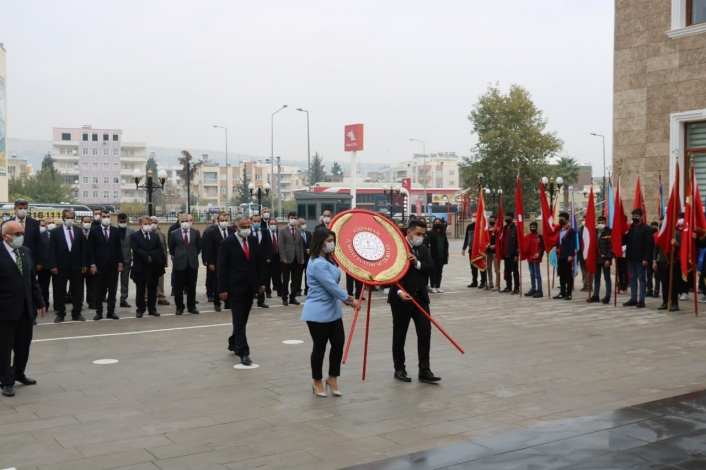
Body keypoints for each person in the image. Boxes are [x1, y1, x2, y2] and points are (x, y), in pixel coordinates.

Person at [302, 228, 359, 397]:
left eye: (332, 240)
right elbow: (331, 286)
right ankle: (317, 380)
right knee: (319, 347)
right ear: (319, 242)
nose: (331, 244)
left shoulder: (329, 259)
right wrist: (350, 300)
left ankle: (333, 377)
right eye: (328, 240)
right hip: (317, 311)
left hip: (333, 310)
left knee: (338, 343)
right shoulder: (317, 263)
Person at [388, 219, 440, 384]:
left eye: (423, 235)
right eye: (418, 234)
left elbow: (431, 267)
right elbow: (389, 274)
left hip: (421, 298)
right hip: (401, 299)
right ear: (408, 233)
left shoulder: (423, 249)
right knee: (400, 334)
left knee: (425, 332)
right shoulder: (397, 249)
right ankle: (399, 368)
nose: (420, 237)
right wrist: (399, 291)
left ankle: (424, 370)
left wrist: (417, 263)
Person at [0, 221, 45, 398]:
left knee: (23, 345)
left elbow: (32, 280)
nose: (21, 237)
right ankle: (6, 381)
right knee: (4, 348)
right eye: (17, 234)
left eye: (22, 233)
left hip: (26, 308)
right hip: (5, 310)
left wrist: (40, 301)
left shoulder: (25, 251)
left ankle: (19, 373)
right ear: (5, 236)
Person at [218, 215, 267, 366]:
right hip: (234, 286)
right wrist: (222, 289)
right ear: (236, 228)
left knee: (243, 318)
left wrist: (261, 282)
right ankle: (243, 352)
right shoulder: (227, 243)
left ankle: (233, 341)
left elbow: (258, 262)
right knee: (238, 319)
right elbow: (222, 267)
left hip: (250, 285)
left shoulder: (252, 240)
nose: (247, 230)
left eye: (248, 227)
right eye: (243, 227)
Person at [50, 210, 88, 323]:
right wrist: (53, 265)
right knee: (59, 291)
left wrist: (84, 264)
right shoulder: (55, 232)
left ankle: (76, 313)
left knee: (77, 291)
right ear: (63, 218)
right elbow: (51, 250)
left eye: (72, 217)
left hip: (76, 266)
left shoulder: (79, 231)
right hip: (60, 267)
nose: (70, 219)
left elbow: (83, 249)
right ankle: (60, 314)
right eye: (68, 217)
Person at [88, 210, 124, 320]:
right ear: (100, 218)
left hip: (112, 265)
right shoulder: (94, 231)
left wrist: (120, 263)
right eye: (104, 216)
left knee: (112, 290)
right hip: (99, 266)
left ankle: (111, 311)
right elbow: (90, 249)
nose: (106, 218)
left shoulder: (115, 231)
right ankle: (99, 312)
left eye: (108, 216)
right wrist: (92, 264)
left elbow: (119, 248)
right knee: (99, 290)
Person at [131, 217, 166, 318]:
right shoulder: (135, 236)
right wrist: (146, 257)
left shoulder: (155, 236)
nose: (148, 225)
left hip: (152, 267)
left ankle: (152, 308)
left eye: (149, 223)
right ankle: (140, 309)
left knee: (152, 289)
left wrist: (152, 256)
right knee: (140, 289)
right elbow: (136, 249)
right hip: (140, 267)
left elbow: (160, 249)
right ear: (141, 225)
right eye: (145, 223)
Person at [169, 213, 202, 315]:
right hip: (179, 263)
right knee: (179, 287)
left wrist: (192, 255)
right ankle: (179, 307)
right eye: (182, 221)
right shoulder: (174, 233)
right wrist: (178, 255)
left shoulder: (196, 232)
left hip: (192, 263)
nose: (185, 223)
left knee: (192, 286)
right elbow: (171, 247)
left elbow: (199, 246)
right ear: (179, 222)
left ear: (189, 221)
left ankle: (191, 306)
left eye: (186, 221)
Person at [622, 208, 654, 308]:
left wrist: (646, 259)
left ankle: (641, 300)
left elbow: (649, 246)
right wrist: (622, 234)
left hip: (641, 259)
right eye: (633, 216)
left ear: (641, 217)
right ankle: (633, 298)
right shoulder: (630, 228)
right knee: (632, 278)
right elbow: (624, 242)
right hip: (630, 257)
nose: (634, 218)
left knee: (641, 278)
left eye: (636, 216)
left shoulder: (647, 229)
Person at [4, 199, 42, 274]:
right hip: (12, 258)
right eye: (20, 208)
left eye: (25, 208)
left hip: (31, 259)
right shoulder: (7, 224)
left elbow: (39, 243)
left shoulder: (34, 223)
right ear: (15, 209)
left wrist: (40, 262)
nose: (23, 210)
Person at [207, 213, 234, 312]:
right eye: (222, 220)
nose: (224, 222)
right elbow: (210, 249)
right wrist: (211, 263)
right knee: (217, 283)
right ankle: (217, 303)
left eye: (226, 220)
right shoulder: (212, 232)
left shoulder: (232, 230)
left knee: (229, 282)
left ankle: (228, 303)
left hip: (230, 262)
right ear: (218, 221)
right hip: (217, 261)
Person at [278, 211, 305, 306]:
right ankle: (284, 297)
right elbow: (280, 245)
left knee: (296, 279)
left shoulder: (298, 231)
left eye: (295, 218)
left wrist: (302, 257)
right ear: (288, 218)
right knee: (285, 279)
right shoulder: (282, 230)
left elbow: (300, 246)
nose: (294, 220)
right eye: (292, 218)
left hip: (296, 258)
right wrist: (283, 257)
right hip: (286, 259)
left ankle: (292, 297)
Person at [654, 231, 681, 311]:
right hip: (663, 262)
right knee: (664, 284)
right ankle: (665, 302)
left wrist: (677, 244)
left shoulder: (676, 234)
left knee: (674, 284)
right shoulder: (660, 233)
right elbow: (656, 248)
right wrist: (654, 261)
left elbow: (682, 247)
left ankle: (674, 303)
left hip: (674, 262)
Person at [589, 216, 613, 304]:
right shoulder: (594, 232)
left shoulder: (609, 233)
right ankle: (595, 295)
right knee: (596, 278)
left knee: (607, 278)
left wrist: (608, 259)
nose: (600, 224)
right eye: (599, 222)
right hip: (596, 259)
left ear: (605, 223)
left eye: (602, 222)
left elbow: (611, 247)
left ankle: (607, 296)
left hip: (605, 259)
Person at [251, 214, 272, 308]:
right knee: (250, 280)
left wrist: (268, 257)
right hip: (250, 260)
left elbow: (269, 245)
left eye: (258, 221)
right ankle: (250, 299)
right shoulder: (248, 231)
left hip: (262, 260)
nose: (257, 223)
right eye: (255, 221)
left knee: (262, 280)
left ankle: (261, 301)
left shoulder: (265, 231)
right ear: (251, 221)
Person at [554, 212, 577, 301]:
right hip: (560, 255)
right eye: (559, 219)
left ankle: (569, 293)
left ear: (567, 220)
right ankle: (562, 292)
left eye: (562, 219)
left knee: (568, 275)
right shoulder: (559, 230)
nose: (560, 220)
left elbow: (573, 244)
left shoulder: (571, 231)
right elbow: (558, 241)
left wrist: (571, 255)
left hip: (567, 256)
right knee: (561, 274)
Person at [150, 216, 170, 306]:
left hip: (159, 263)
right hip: (149, 262)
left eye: (155, 222)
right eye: (151, 222)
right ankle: (147, 298)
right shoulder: (146, 234)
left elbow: (165, 250)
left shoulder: (161, 235)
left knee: (160, 281)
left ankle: (161, 297)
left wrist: (165, 262)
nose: (153, 224)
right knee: (148, 282)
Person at [37, 218, 56, 312]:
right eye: (49, 223)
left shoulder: (58, 234)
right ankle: (44, 305)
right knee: (43, 287)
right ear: (45, 225)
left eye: (53, 223)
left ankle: (58, 305)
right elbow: (39, 250)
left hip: (57, 265)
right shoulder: (40, 236)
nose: (51, 224)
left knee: (58, 287)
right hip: (44, 266)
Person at [80, 215, 97, 310]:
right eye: (85, 221)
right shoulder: (78, 232)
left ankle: (92, 302)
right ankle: (79, 302)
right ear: (81, 222)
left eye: (89, 222)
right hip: (81, 262)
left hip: (92, 262)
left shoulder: (94, 232)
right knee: (79, 285)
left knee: (92, 284)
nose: (87, 223)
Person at [117, 213, 134, 308]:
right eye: (121, 222)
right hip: (115, 260)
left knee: (125, 281)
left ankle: (123, 299)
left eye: (124, 221)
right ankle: (110, 298)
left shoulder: (131, 231)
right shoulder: (114, 231)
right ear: (118, 221)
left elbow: (134, 246)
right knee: (113, 281)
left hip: (127, 259)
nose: (123, 223)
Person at [501, 212, 520, 294]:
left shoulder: (516, 229)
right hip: (506, 253)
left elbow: (518, 243)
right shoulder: (504, 228)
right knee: (507, 271)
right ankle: (508, 286)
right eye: (506, 217)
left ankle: (516, 288)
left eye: (509, 217)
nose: (507, 218)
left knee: (515, 271)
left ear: (512, 218)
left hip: (513, 254)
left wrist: (516, 254)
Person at [524, 221, 544, 298]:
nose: (532, 228)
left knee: (537, 274)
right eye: (531, 227)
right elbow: (524, 244)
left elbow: (543, 247)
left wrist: (539, 253)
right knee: (532, 274)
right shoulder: (528, 236)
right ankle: (533, 288)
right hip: (530, 258)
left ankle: (540, 290)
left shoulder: (540, 237)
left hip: (536, 258)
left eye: (534, 227)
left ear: (536, 228)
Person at [428, 218, 448, 293]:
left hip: (441, 256)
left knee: (439, 272)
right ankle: (432, 286)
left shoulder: (443, 234)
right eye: (436, 222)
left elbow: (446, 245)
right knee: (433, 271)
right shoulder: (430, 234)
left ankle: (438, 286)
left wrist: (446, 255)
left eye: (438, 222)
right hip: (433, 256)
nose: (437, 223)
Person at [202, 216, 218, 303]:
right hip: (211, 259)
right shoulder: (208, 231)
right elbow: (205, 246)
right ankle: (210, 294)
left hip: (220, 259)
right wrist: (205, 259)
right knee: (211, 277)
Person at [481, 215, 500, 290]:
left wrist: (495, 245)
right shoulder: (486, 230)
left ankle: (497, 284)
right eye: (490, 220)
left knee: (496, 269)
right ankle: (490, 283)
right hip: (488, 251)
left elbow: (500, 240)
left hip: (495, 251)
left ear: (496, 221)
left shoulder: (497, 230)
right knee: (488, 268)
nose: (491, 221)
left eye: (493, 220)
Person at [266, 218, 282, 300]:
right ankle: (268, 292)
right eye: (271, 224)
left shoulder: (279, 233)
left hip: (278, 257)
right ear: (268, 224)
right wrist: (267, 257)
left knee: (278, 275)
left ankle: (280, 291)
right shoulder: (265, 233)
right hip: (269, 258)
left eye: (274, 224)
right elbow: (263, 246)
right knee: (268, 276)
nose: (273, 225)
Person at [461, 217, 478, 288]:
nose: (474, 218)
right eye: (473, 216)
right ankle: (474, 281)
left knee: (481, 265)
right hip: (471, 249)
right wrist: (464, 248)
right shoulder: (469, 226)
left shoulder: (481, 226)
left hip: (479, 250)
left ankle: (483, 281)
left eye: (475, 216)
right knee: (473, 267)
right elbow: (467, 238)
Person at [299, 218, 312, 296]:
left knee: (308, 275)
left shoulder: (308, 233)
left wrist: (310, 249)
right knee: (298, 275)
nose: (303, 225)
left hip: (308, 257)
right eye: (301, 223)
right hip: (300, 256)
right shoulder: (297, 233)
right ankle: (297, 289)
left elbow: (312, 242)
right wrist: (305, 250)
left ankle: (307, 289)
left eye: (304, 223)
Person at [650, 221, 661, 299]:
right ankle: (649, 289)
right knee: (649, 275)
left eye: (655, 226)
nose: (653, 227)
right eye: (652, 225)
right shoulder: (648, 235)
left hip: (657, 258)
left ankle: (656, 290)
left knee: (657, 276)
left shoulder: (658, 235)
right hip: (649, 258)